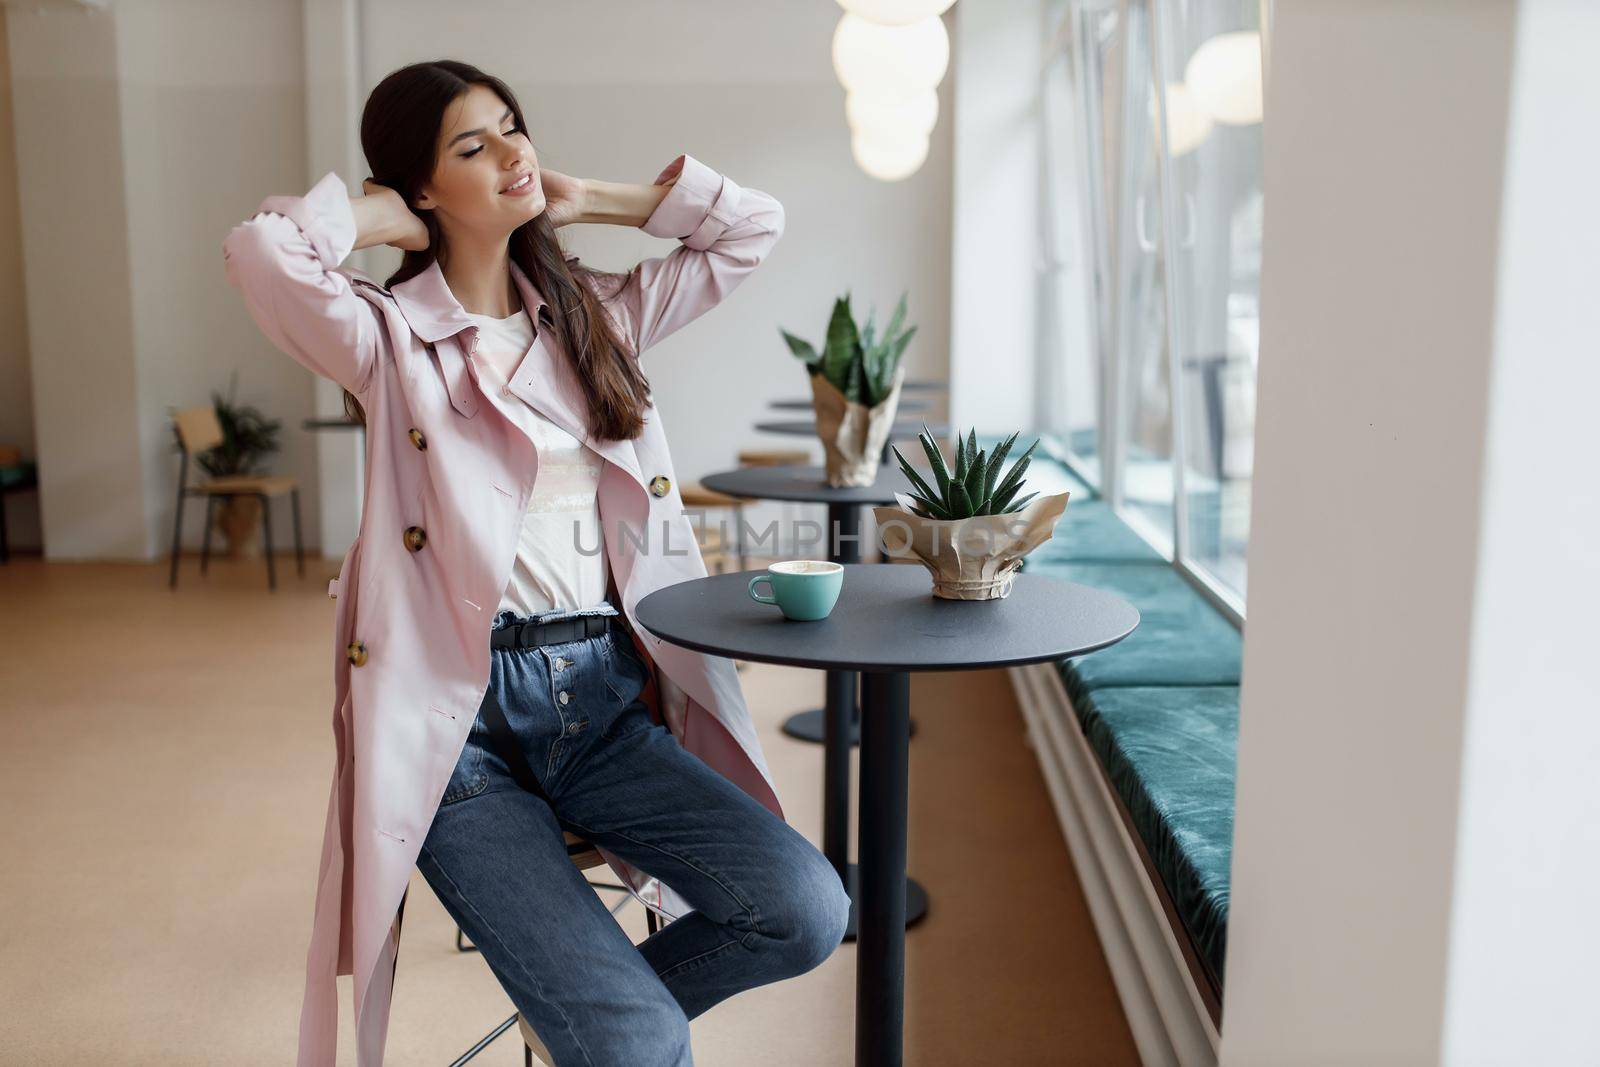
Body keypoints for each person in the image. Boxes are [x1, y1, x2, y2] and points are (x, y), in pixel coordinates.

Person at [222, 59, 850, 1067]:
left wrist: (595, 198)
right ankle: (606, 1025)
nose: (514, 152)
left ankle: (590, 1020)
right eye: (473, 146)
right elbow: (262, 254)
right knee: (637, 1040)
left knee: (805, 906)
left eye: (515, 128)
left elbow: (751, 227)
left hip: (601, 702)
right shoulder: (387, 336)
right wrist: (382, 220)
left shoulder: (598, 314)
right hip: (457, 728)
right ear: (422, 188)